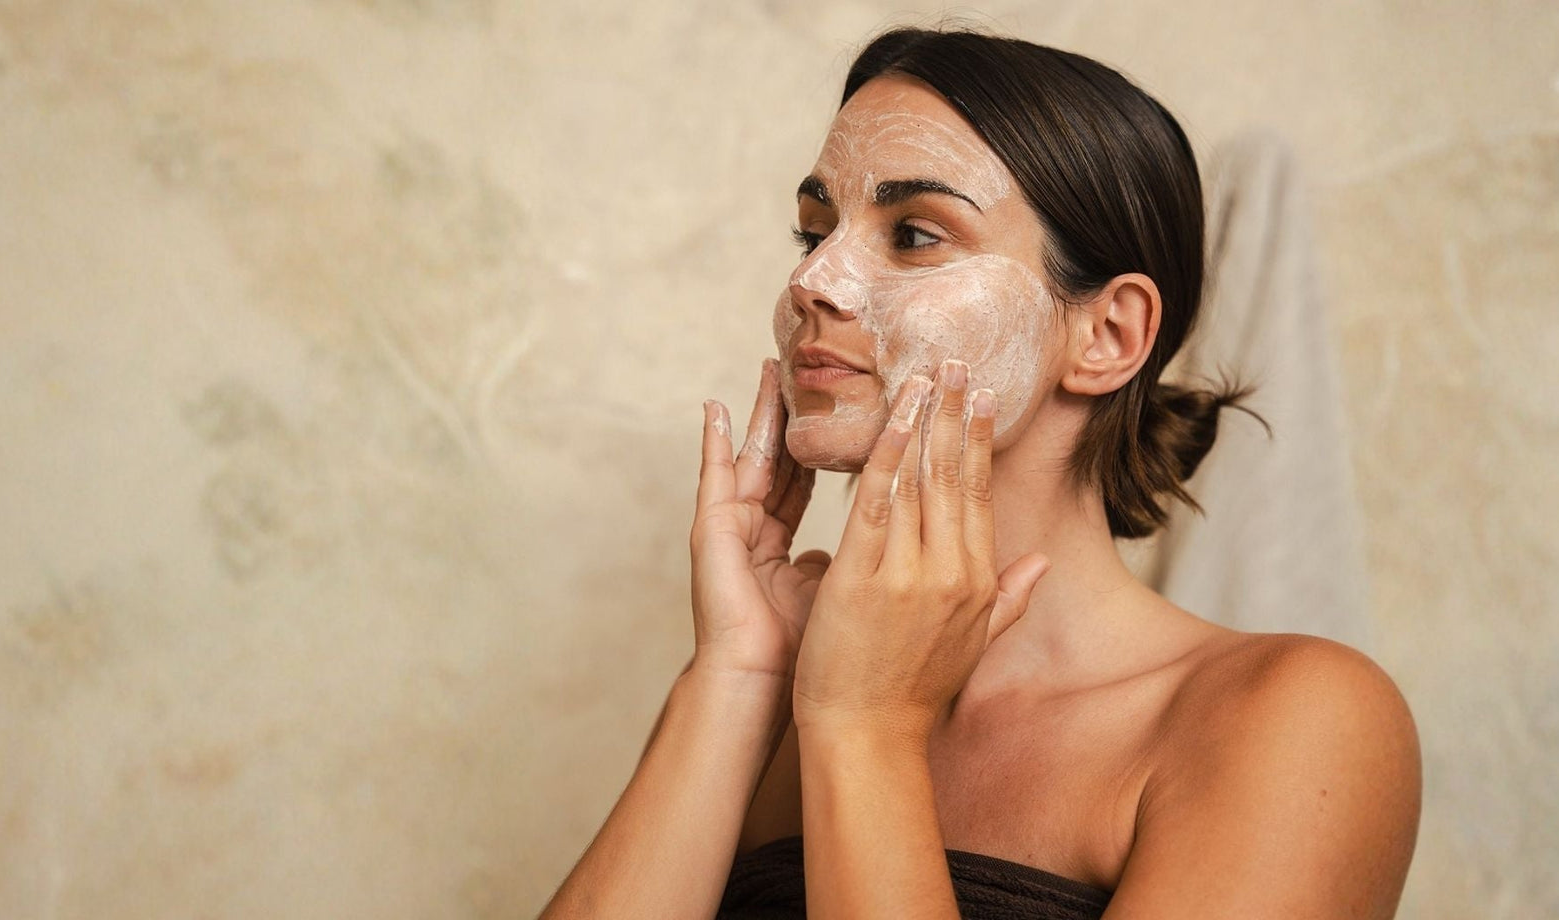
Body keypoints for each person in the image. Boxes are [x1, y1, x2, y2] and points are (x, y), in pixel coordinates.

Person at [540, 26, 1420, 920]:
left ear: (1107, 335)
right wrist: (737, 677)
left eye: (915, 234)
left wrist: (867, 728)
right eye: (813, 232)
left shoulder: (1294, 720)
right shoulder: (767, 694)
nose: (814, 279)